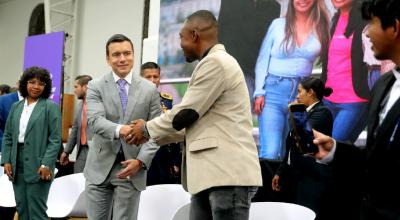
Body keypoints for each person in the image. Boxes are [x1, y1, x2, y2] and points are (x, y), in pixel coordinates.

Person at [128, 10, 262, 220]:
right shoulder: (212, 63)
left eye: (181, 37)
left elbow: (186, 114)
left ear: (194, 35)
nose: (179, 44)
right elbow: (193, 124)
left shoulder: (216, 63)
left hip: (226, 175)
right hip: (211, 175)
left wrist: (145, 129)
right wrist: (150, 135)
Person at [313, 0, 400, 219]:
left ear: (395, 28)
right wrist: (334, 149)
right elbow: (376, 158)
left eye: (374, 23)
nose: (367, 33)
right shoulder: (383, 85)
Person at [84, 34, 162, 220]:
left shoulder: (149, 89)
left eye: (127, 53)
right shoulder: (95, 86)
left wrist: (141, 161)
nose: (122, 59)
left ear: (134, 55)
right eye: (116, 54)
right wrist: (123, 129)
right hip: (98, 167)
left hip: (131, 167)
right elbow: (95, 120)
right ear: (108, 59)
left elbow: (157, 131)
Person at [253, 0, 330, 161]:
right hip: (272, 93)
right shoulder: (278, 24)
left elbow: (331, 61)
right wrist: (259, 92)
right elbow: (262, 59)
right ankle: (265, 186)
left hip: (302, 97)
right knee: (271, 152)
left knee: (297, 152)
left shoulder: (322, 27)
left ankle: (283, 186)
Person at [1, 66, 61, 220]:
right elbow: (8, 136)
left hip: (39, 164)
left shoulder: (50, 107)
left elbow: (55, 140)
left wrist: (46, 164)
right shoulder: (16, 107)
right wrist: (6, 160)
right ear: (24, 84)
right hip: (16, 162)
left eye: (41, 83)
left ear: (46, 86)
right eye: (32, 82)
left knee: (37, 212)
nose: (36, 86)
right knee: (22, 209)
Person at [271, 77, 333, 218]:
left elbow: (303, 135)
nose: (297, 96)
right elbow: (291, 145)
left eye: (299, 92)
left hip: (311, 179)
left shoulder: (322, 112)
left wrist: (294, 111)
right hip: (295, 176)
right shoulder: (303, 112)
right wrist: (280, 171)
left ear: (310, 92)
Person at [321, 0, 369, 143]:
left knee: (330, 150)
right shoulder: (333, 21)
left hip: (353, 101)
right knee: (323, 153)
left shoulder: (365, 20)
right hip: (328, 100)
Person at [140, 62, 181, 185]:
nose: (152, 80)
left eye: (155, 76)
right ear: (141, 78)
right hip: (141, 155)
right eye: (148, 77)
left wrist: (175, 161)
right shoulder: (134, 101)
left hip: (163, 154)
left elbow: (173, 129)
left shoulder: (167, 100)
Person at [60, 75, 93, 173]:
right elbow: (75, 129)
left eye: (76, 87)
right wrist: (66, 151)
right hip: (81, 150)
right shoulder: (79, 106)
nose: (74, 90)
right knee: (78, 180)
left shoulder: (100, 104)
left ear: (85, 87)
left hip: (96, 152)